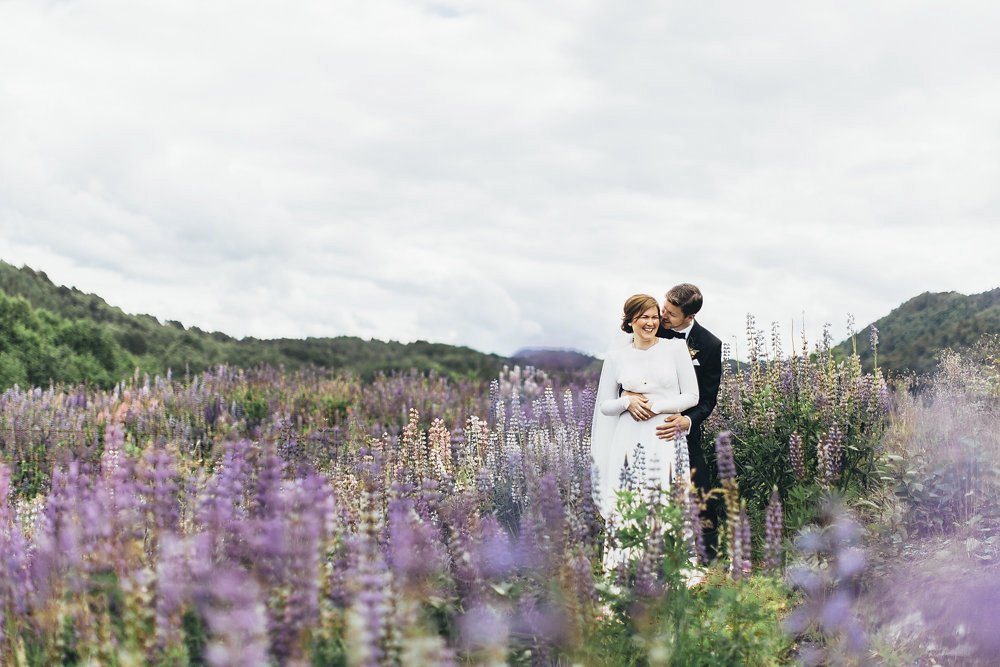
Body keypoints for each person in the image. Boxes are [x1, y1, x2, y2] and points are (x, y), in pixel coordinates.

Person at [590, 294, 699, 522]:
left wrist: (657, 406)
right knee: (630, 500)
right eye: (643, 317)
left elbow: (692, 396)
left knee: (669, 498)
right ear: (630, 321)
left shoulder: (676, 349)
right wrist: (626, 402)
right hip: (628, 437)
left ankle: (671, 557)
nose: (650, 323)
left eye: (654, 317)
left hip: (666, 436)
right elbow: (605, 405)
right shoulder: (616, 357)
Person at [654, 283, 723, 560]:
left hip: (685, 431)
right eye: (664, 308)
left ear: (689, 317)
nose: (662, 316)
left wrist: (687, 421)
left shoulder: (709, 345)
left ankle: (710, 563)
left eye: (670, 313)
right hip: (648, 424)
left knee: (702, 495)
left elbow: (708, 399)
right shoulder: (652, 329)